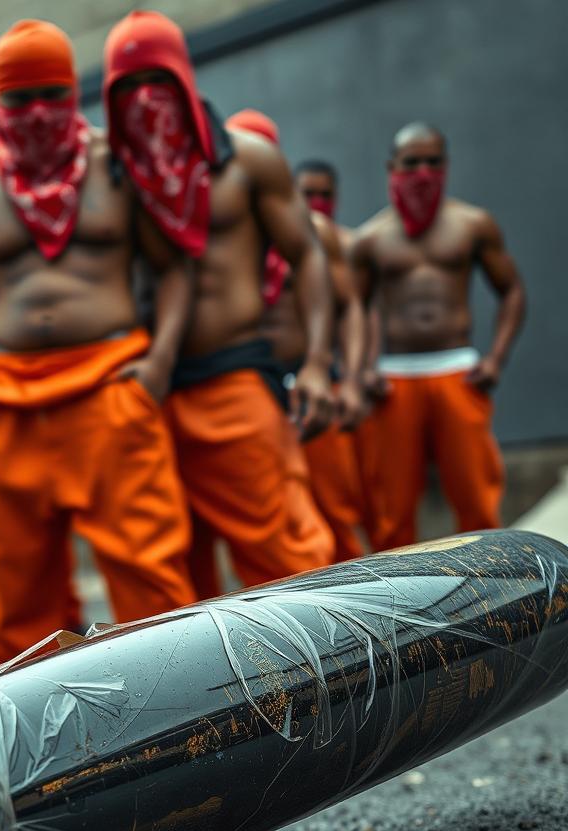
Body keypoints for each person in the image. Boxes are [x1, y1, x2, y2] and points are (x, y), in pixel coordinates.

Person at [0, 19, 196, 665]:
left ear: (74, 92)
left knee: (149, 573)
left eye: (50, 95)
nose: (35, 115)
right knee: (12, 586)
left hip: (109, 383)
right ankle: (38, 728)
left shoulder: (121, 169)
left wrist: (158, 365)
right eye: (17, 100)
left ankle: (176, 709)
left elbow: (174, 268)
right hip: (0, 400)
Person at [102, 14, 334, 600]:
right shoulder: (114, 174)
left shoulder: (249, 160)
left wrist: (316, 362)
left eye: (154, 79)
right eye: (125, 86)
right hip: (146, 386)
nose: (142, 98)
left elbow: (307, 255)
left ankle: (330, 683)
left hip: (234, 374)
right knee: (173, 572)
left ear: (182, 76)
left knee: (286, 553)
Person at [351, 122, 526, 550]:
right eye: (412, 163)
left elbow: (512, 291)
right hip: (394, 382)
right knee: (391, 512)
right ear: (392, 167)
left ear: (446, 165)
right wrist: (362, 371)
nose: (423, 173)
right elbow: (354, 307)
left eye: (433, 162)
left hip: (457, 372)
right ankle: (396, 609)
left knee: (477, 502)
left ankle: (493, 599)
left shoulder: (473, 224)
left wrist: (495, 360)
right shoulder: (370, 238)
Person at [250, 139, 368, 564]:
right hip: (256, 387)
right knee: (276, 518)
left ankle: (360, 612)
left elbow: (351, 306)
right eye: (308, 193)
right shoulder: (232, 234)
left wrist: (350, 380)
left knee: (336, 508)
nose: (316, 203)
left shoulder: (316, 236)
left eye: (324, 194)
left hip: (312, 380)